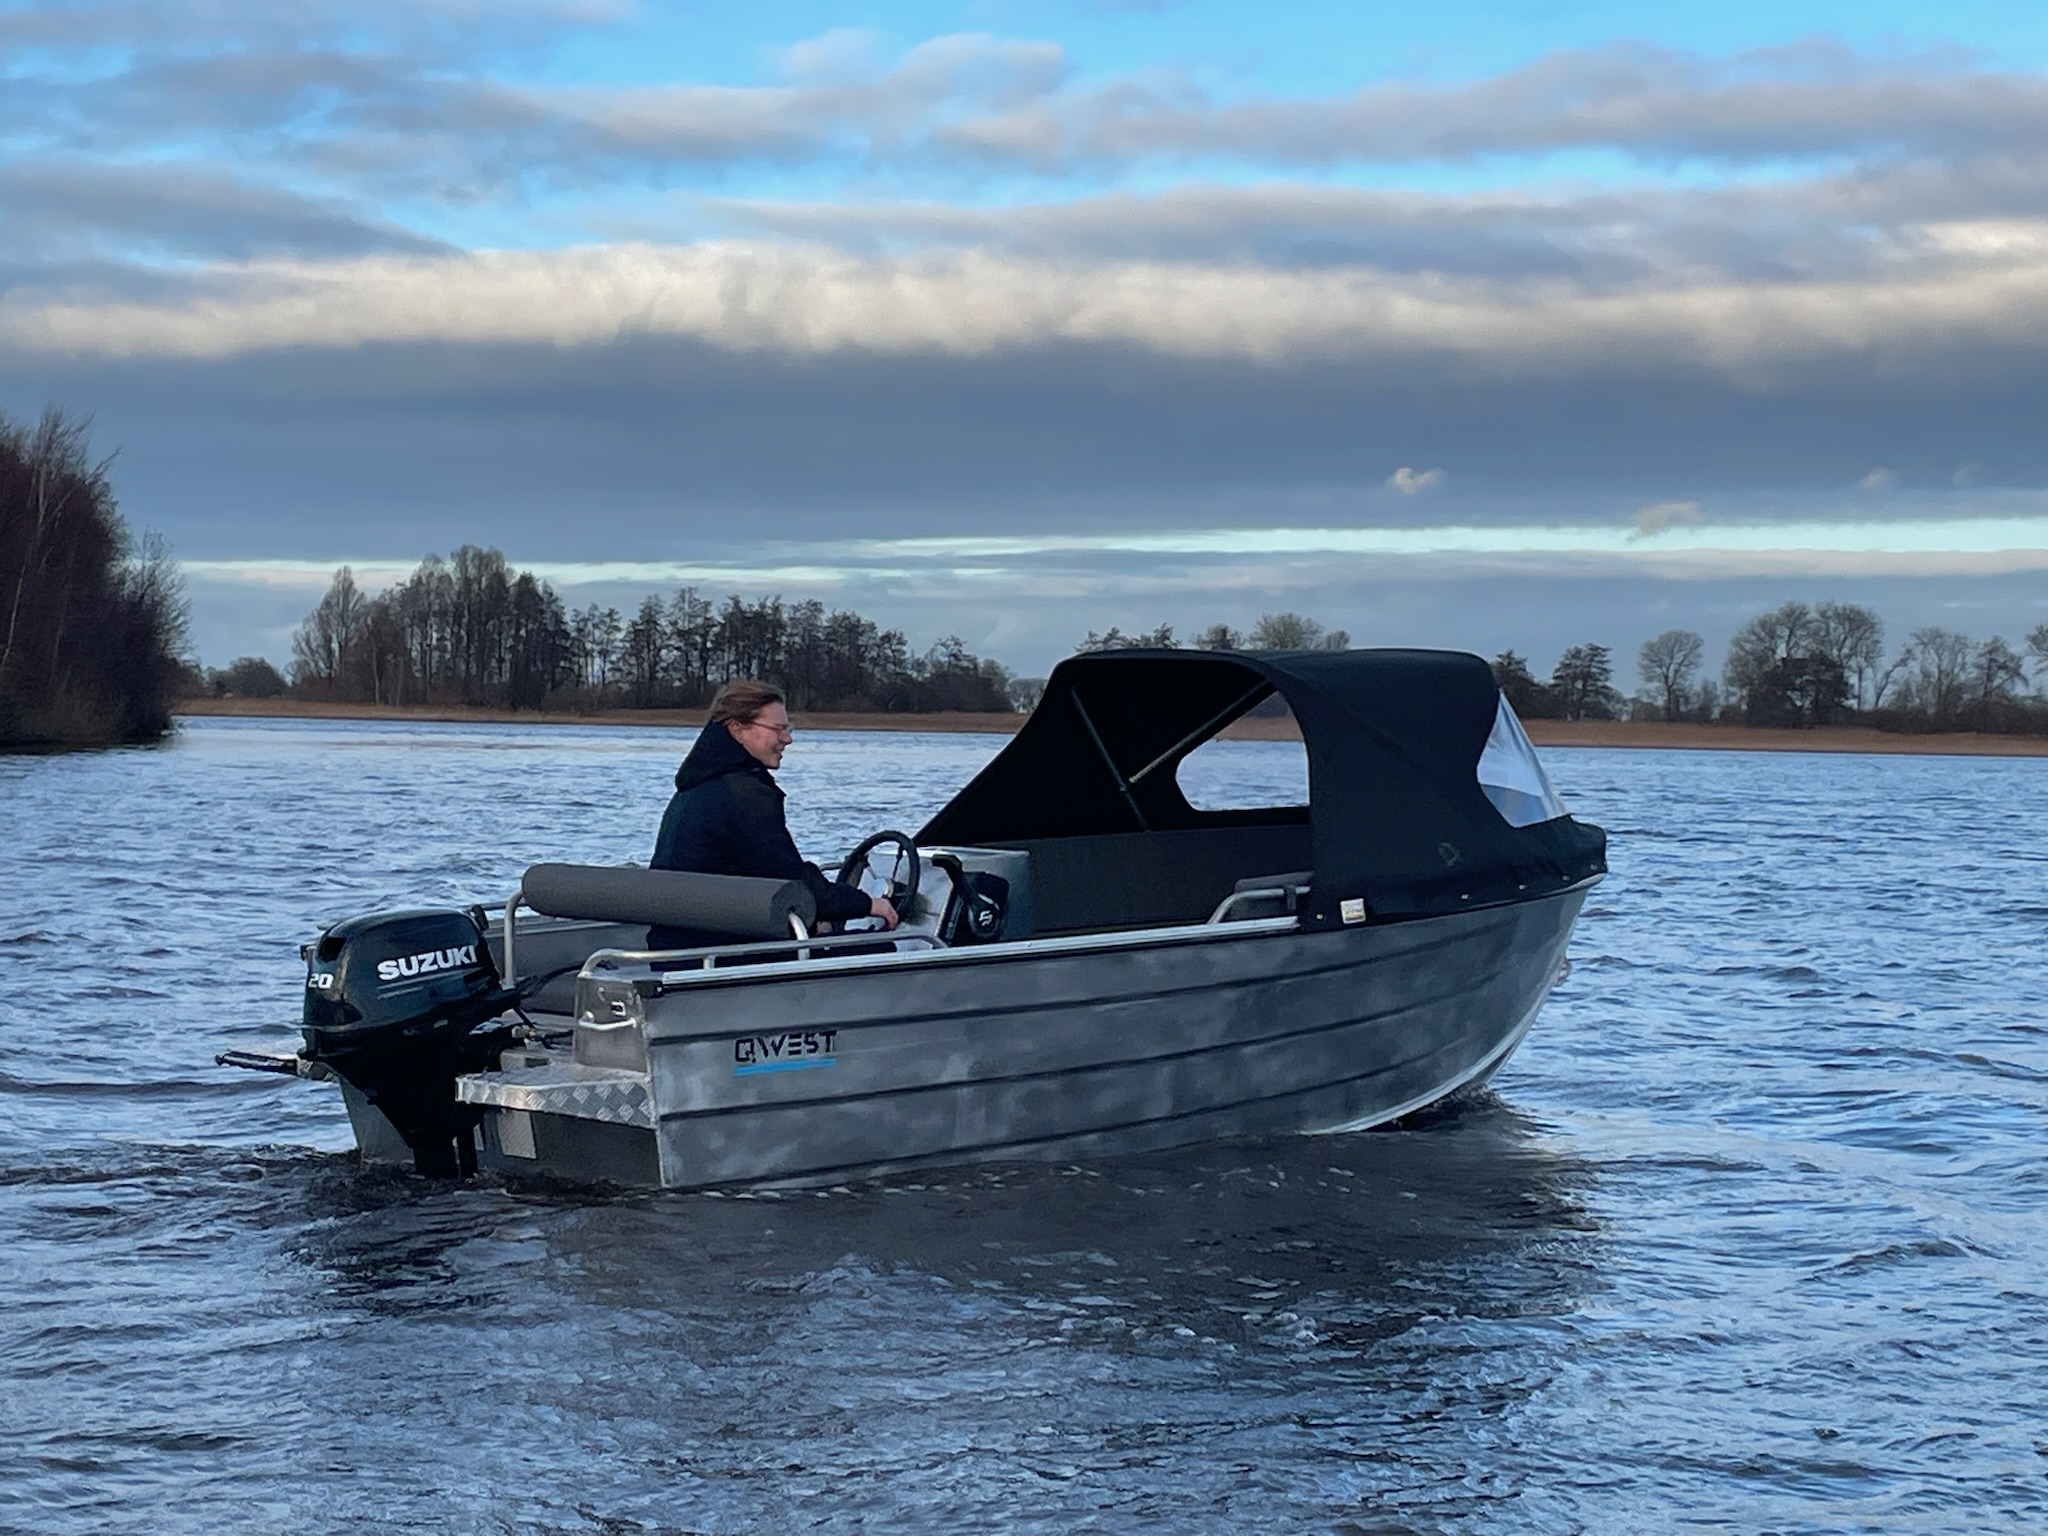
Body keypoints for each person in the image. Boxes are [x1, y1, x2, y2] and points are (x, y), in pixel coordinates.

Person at [651, 679, 898, 938]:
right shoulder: (743, 794)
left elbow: (758, 870)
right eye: (778, 729)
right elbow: (789, 877)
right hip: (719, 948)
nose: (787, 739)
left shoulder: (695, 787)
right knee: (885, 946)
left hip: (678, 940)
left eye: (788, 729)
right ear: (737, 729)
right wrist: (869, 904)